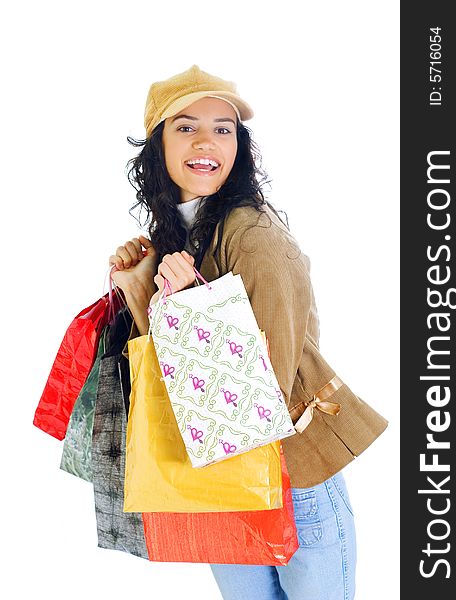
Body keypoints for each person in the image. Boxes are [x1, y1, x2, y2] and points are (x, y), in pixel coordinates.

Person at [109, 64, 388, 600]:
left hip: (293, 477)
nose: (207, 141)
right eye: (186, 126)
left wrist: (186, 305)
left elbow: (259, 406)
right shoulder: (182, 230)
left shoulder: (253, 236)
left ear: (240, 144)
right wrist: (140, 291)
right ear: (157, 144)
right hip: (222, 477)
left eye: (224, 127)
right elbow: (173, 384)